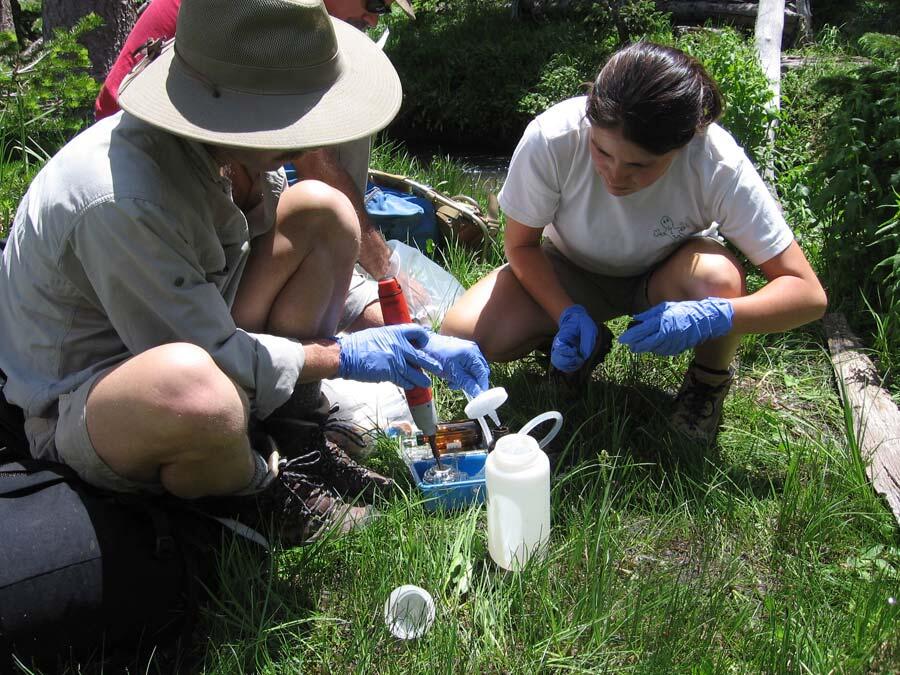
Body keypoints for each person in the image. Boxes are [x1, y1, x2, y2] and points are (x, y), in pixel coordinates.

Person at [0, 0, 489, 545]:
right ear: (237, 113)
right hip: (95, 395)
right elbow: (206, 355)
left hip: (192, 335)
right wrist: (346, 356)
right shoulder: (123, 200)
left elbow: (253, 282)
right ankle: (258, 493)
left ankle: (300, 443)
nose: (310, 133)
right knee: (199, 394)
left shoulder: (225, 150)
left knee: (324, 211)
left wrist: (382, 324)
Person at [441, 42, 827, 442]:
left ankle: (706, 384)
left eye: (640, 165)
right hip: (572, 269)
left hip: (666, 277)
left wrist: (713, 316)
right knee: (460, 335)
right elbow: (521, 247)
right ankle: (575, 343)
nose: (615, 176)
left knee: (718, 280)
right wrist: (566, 312)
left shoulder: (716, 163)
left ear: (683, 146)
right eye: (601, 152)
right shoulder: (553, 137)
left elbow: (808, 295)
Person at [95, 0, 418, 329]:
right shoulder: (249, 19)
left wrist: (383, 313)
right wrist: (384, 270)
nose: (375, 17)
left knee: (324, 212)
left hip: (210, 166)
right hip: (153, 172)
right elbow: (199, 344)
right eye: (374, 0)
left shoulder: (287, 26)